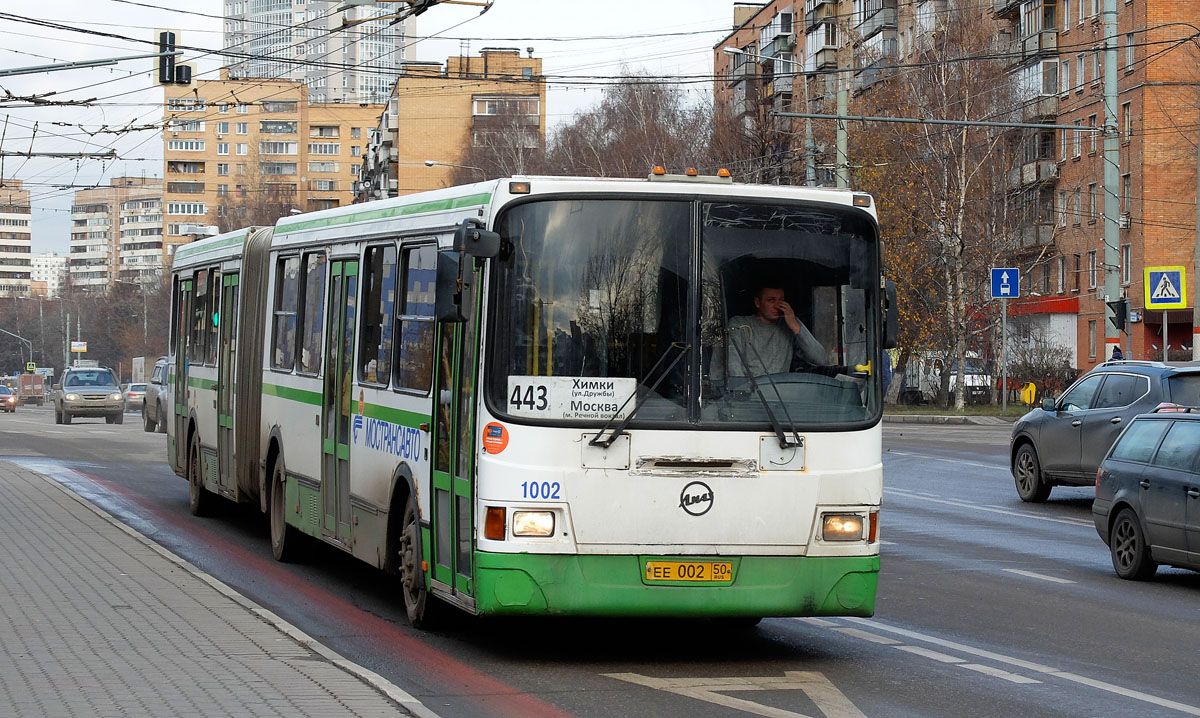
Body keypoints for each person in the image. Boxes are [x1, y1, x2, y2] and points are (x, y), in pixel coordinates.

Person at [722, 284, 827, 378]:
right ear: (757, 303)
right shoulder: (739, 324)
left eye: (781, 301)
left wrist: (796, 327)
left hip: (780, 395)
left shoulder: (789, 323)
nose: (777, 306)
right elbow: (733, 368)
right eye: (771, 300)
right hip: (749, 395)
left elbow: (820, 360)